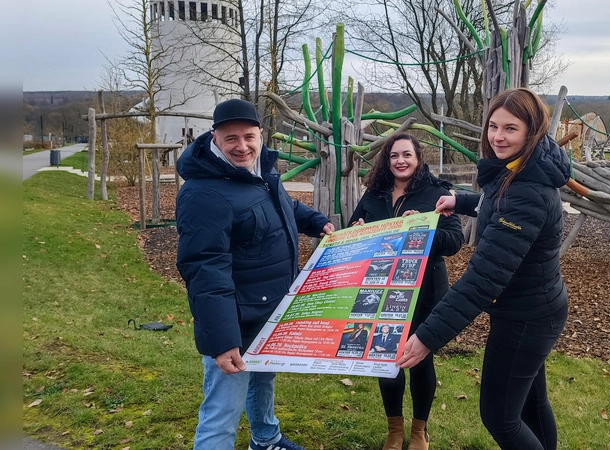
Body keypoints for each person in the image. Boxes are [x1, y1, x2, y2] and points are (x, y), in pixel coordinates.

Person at [397, 88, 571, 450]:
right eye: (493, 126)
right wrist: (462, 201)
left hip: (526, 317)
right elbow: (500, 202)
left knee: (500, 417)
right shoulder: (524, 168)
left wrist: (428, 336)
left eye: (510, 128)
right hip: (534, 306)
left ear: (532, 131)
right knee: (531, 405)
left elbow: (482, 279)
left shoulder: (528, 188)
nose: (498, 136)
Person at [176, 98, 335, 450]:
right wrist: (222, 339)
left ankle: (266, 438)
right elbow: (203, 267)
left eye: (249, 136)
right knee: (221, 411)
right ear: (214, 137)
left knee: (262, 380)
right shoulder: (203, 192)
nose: (242, 145)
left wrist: (316, 221)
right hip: (235, 319)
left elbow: (284, 206)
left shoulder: (258, 172)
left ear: (260, 134)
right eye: (231, 138)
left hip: (268, 309)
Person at [348, 132, 464, 450]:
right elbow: (351, 229)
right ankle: (395, 430)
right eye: (394, 155)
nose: (400, 161)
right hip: (381, 289)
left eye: (407, 155)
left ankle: (418, 432)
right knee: (386, 359)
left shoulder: (436, 192)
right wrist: (356, 233)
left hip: (424, 291)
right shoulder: (374, 194)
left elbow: (455, 241)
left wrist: (425, 228)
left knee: (419, 359)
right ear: (387, 160)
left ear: (418, 158)